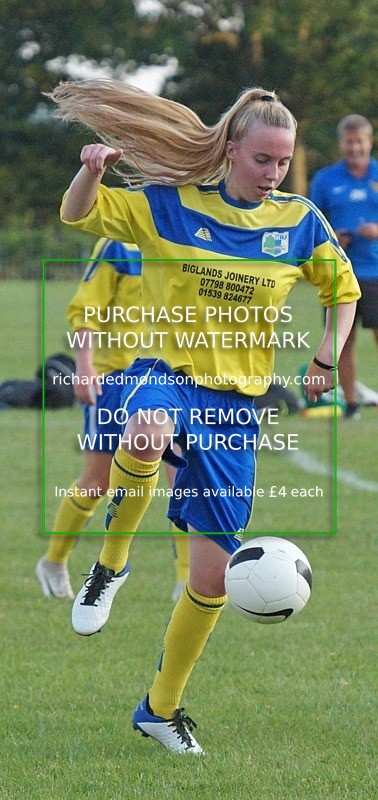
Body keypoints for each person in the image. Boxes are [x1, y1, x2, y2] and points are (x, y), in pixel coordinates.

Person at [48, 79, 360, 754]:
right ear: (229, 152)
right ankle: (111, 564)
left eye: (283, 161)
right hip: (165, 374)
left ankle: (159, 709)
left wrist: (328, 357)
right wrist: (89, 171)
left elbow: (344, 293)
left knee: (211, 578)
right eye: (263, 160)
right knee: (146, 430)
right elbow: (79, 215)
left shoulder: (299, 220)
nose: (273, 173)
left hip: (236, 407)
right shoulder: (168, 205)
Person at [35, 236, 189, 600]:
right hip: (113, 380)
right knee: (96, 482)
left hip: (168, 379)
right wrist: (85, 366)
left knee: (183, 479)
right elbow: (87, 306)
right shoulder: (120, 243)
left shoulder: (191, 231)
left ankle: (187, 579)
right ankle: (54, 561)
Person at [309, 114, 378, 419]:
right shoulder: (325, 179)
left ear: (369, 141)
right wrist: (332, 238)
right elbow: (311, 224)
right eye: (349, 142)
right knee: (342, 339)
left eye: (359, 141)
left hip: (376, 272)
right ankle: (351, 404)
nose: (354, 148)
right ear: (341, 144)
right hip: (339, 273)